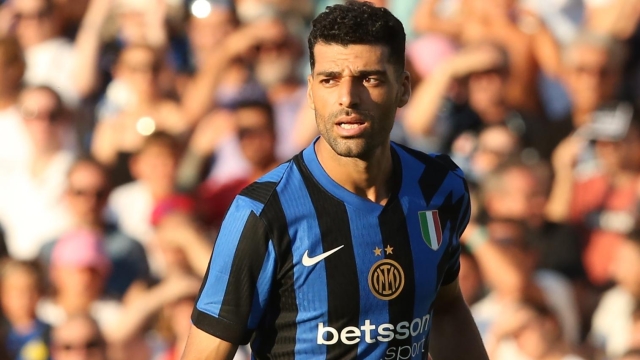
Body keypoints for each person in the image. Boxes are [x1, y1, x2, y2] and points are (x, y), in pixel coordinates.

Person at [182, 2, 488, 359]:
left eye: (369, 78)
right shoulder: (263, 213)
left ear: (403, 88)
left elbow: (447, 309)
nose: (347, 98)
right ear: (310, 91)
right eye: (330, 80)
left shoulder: (439, 188)